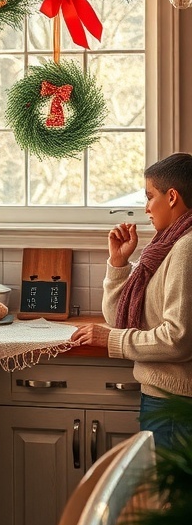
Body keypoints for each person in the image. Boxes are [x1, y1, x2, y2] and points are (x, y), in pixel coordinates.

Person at [70, 152, 192, 450]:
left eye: (150, 196)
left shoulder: (186, 248)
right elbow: (118, 317)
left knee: (167, 499)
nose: (146, 208)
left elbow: (178, 339)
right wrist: (118, 263)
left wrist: (111, 340)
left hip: (175, 406)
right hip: (163, 399)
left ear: (172, 196)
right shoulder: (166, 245)